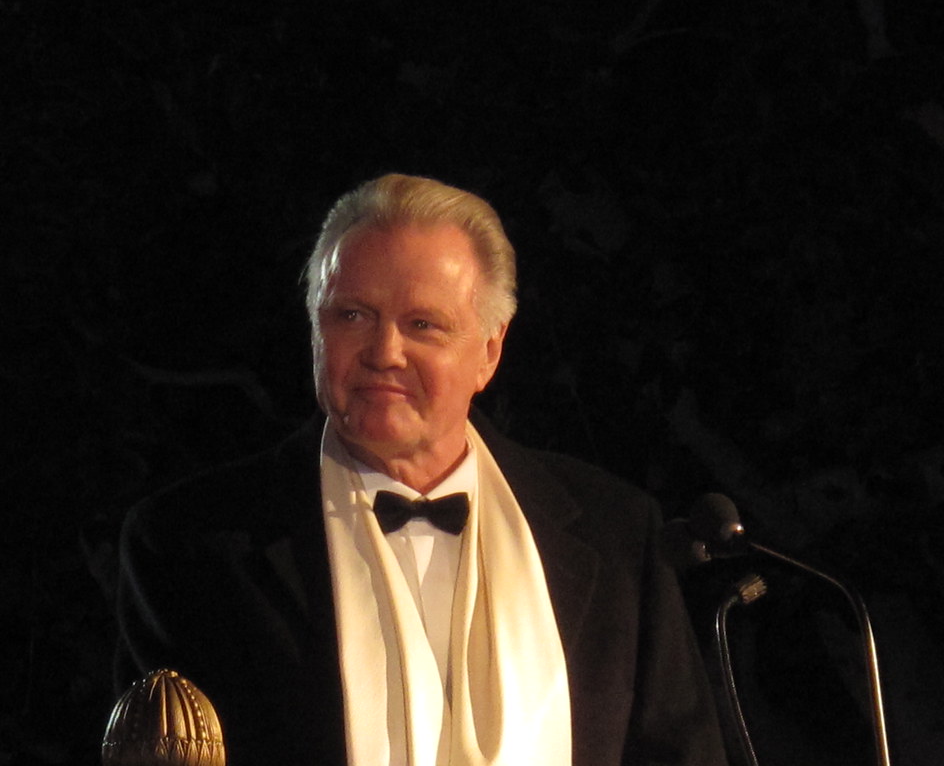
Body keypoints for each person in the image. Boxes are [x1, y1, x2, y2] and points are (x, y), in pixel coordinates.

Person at [114, 173, 728, 766]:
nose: (385, 353)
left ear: (489, 352)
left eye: (422, 325)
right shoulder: (190, 546)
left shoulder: (616, 532)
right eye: (352, 316)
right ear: (315, 329)